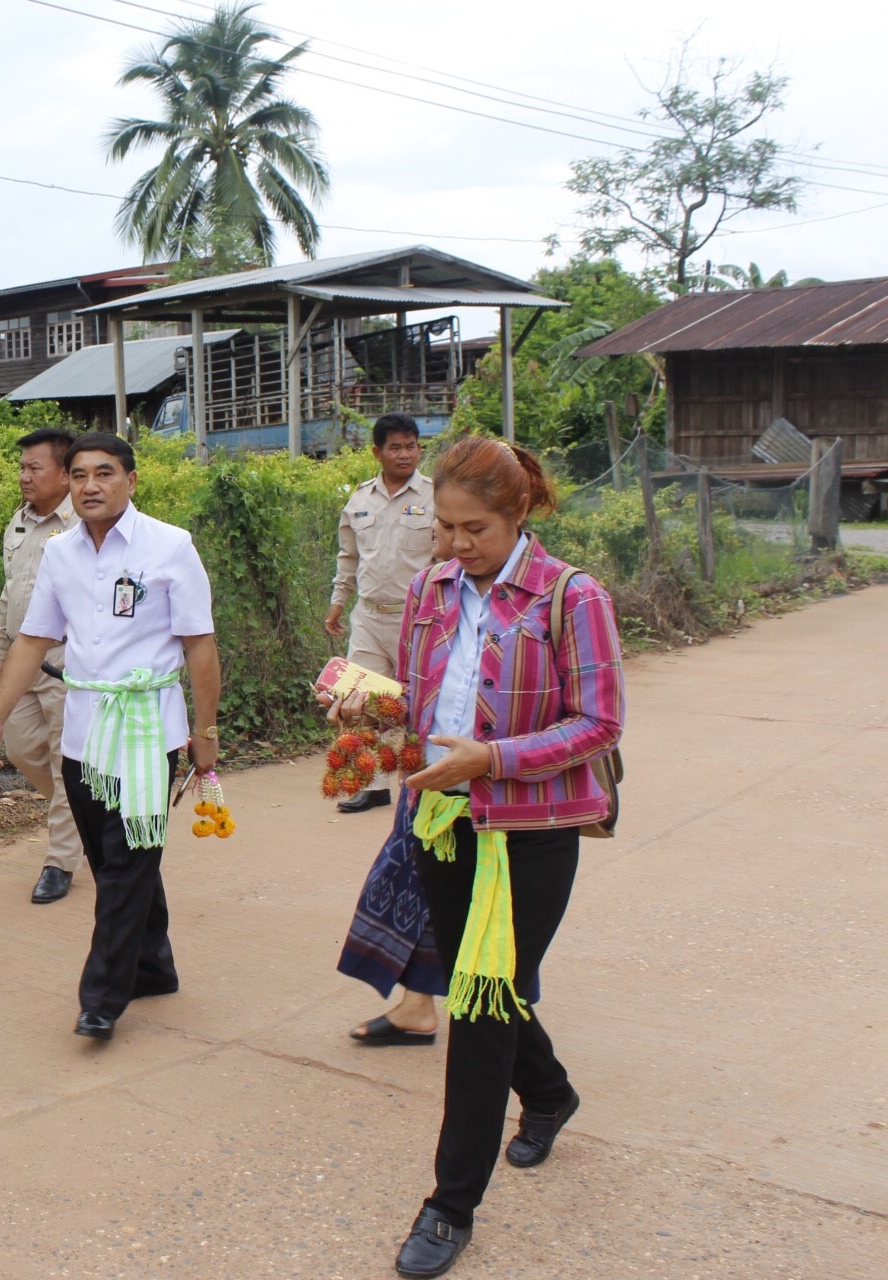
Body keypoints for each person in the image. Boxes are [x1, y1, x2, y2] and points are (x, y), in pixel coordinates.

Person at [328, 436, 623, 1278]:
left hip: (527, 832)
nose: (458, 545)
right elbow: (421, 703)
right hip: (440, 821)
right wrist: (365, 705)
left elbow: (599, 723)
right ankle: (551, 1094)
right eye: (445, 528)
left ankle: (449, 1206)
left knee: (482, 1010)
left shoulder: (572, 596)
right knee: (481, 984)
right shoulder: (433, 587)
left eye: (475, 529)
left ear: (518, 513)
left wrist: (492, 759)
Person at [0, 432, 220, 1043]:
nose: (90, 486)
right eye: (80, 475)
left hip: (147, 731)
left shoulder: (170, 546)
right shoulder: (60, 553)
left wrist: (205, 731)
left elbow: (200, 646)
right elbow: (33, 640)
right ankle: (154, 967)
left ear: (131, 481)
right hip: (83, 733)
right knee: (118, 859)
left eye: (104, 473)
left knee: (125, 865)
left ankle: (103, 997)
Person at [0, 427, 83, 904]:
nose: (24, 476)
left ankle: (60, 861)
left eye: (34, 468)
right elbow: (11, 592)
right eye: (22, 467)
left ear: (65, 475)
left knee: (67, 760)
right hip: (22, 659)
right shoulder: (19, 522)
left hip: (68, 659)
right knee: (22, 748)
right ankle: (85, 815)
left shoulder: (85, 526)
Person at [324, 413, 434, 816]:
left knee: (416, 702)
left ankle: (422, 780)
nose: (405, 454)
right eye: (396, 447)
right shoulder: (359, 500)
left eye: (411, 446)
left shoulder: (435, 497)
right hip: (368, 617)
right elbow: (348, 557)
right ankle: (371, 786)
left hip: (418, 618)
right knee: (363, 700)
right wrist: (338, 601)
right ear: (377, 452)